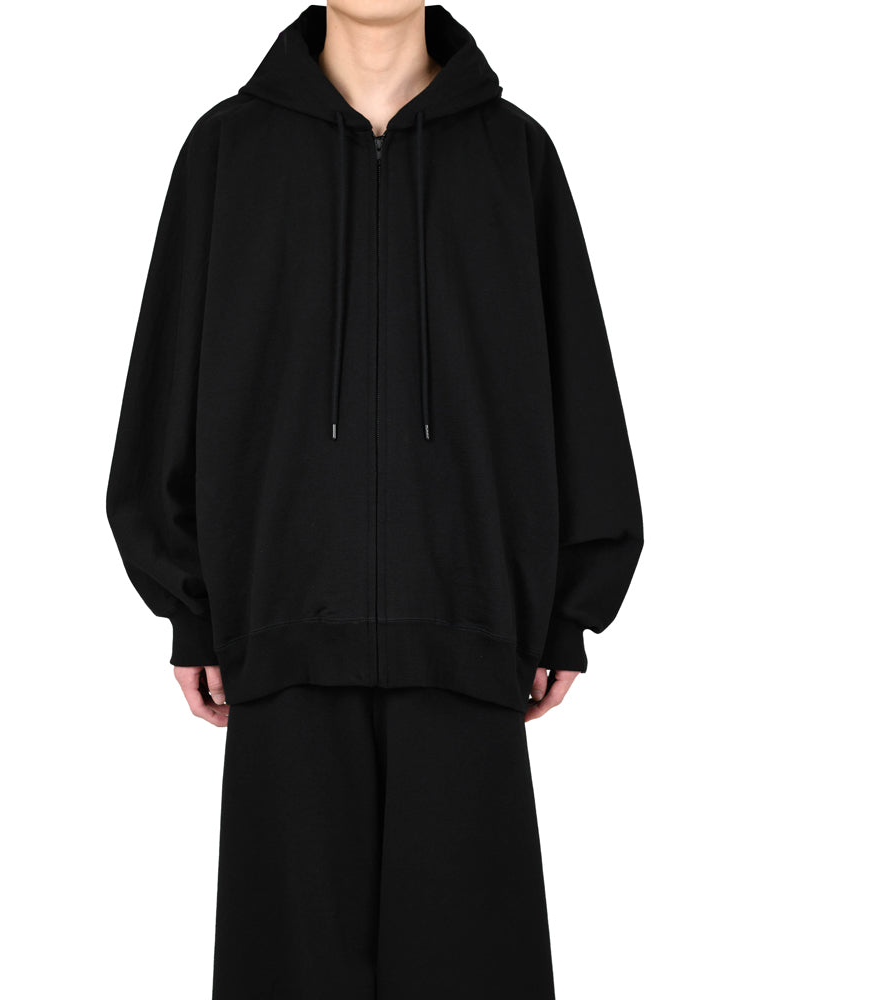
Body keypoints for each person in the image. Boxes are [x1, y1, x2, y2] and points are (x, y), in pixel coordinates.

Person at [106, 2, 643, 996]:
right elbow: (167, 382)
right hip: (282, 636)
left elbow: (574, 384)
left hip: (469, 634)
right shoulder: (229, 150)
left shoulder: (514, 155)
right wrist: (190, 604)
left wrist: (570, 607)